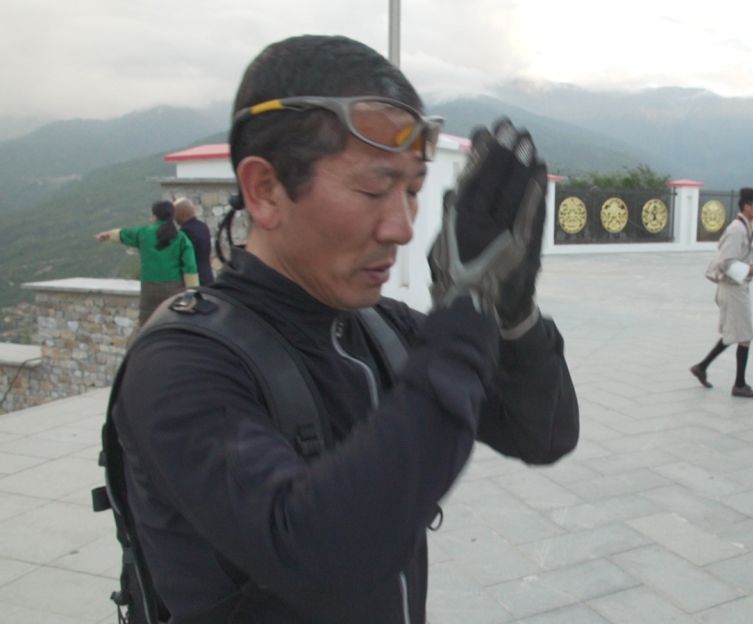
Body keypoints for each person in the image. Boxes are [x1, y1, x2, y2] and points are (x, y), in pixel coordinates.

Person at [106, 35, 578, 623]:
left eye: (412, 192)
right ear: (265, 190)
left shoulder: (381, 329)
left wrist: (510, 314)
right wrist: (464, 312)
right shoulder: (181, 366)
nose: (403, 227)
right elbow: (319, 552)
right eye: (375, 188)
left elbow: (544, 432)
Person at [690, 187, 753, 398]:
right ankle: (739, 385)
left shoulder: (744, 227)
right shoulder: (737, 229)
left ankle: (702, 367)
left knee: (734, 334)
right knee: (744, 336)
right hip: (732, 288)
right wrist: (750, 269)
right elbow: (725, 262)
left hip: (736, 286)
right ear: (747, 206)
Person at [95, 200, 199, 326]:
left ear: (155, 216)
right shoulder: (181, 237)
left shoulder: (144, 233)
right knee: (174, 323)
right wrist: (192, 291)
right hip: (174, 289)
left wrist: (106, 235)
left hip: (149, 288)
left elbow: (124, 234)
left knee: (146, 326)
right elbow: (190, 266)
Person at [173, 197, 215, 285]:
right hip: (207, 275)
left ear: (181, 214)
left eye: (175, 214)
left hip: (194, 279)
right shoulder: (203, 227)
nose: (174, 218)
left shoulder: (185, 231)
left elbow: (187, 258)